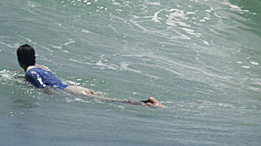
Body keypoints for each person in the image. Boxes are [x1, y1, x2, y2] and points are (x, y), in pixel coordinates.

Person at [16, 44, 163, 107]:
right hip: (74, 88)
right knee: (108, 100)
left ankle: (148, 104)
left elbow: (44, 87)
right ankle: (145, 103)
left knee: (111, 101)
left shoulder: (31, 72)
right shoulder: (41, 67)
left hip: (71, 92)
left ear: (19, 60)